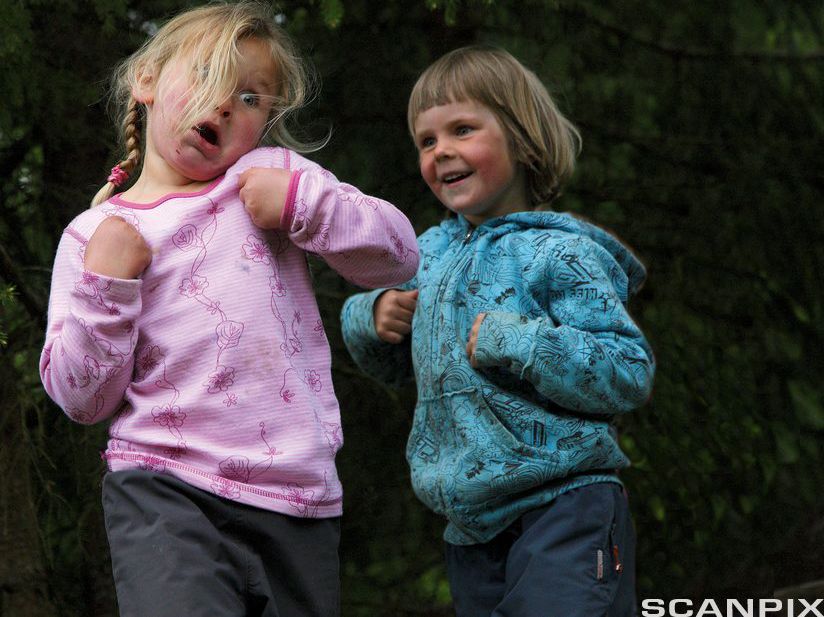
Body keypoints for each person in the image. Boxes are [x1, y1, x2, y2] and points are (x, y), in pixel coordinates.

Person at [39, 3, 418, 616]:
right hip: (163, 487)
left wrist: (304, 203)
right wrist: (106, 287)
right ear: (148, 81)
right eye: (207, 76)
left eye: (248, 97)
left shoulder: (270, 180)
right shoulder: (95, 235)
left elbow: (398, 256)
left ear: (263, 123)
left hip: (297, 497)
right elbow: (83, 400)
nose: (222, 104)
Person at [340, 46, 655, 616]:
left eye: (463, 129)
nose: (442, 152)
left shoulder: (561, 253)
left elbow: (626, 371)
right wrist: (373, 316)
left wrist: (523, 341)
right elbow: (393, 364)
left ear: (522, 139)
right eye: (427, 141)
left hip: (566, 507)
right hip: (470, 527)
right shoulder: (425, 254)